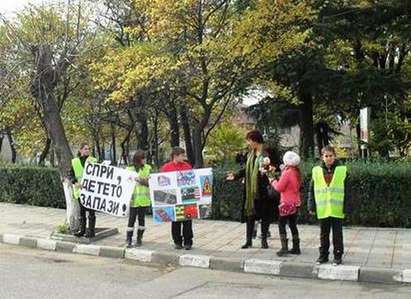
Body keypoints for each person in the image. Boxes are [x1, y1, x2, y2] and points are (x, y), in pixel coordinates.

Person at [226, 130, 275, 249]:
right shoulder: (250, 154)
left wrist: (270, 169)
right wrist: (236, 176)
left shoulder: (268, 153)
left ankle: (264, 240)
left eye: (249, 140)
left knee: (264, 216)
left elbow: (276, 167)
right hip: (250, 192)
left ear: (255, 140)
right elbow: (245, 170)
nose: (248, 143)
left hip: (264, 190)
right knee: (250, 216)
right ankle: (248, 241)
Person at [308, 145, 350, 265]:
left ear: (335, 156)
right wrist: (311, 206)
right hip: (323, 209)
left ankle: (338, 255)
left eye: (331, 156)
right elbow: (311, 190)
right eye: (326, 156)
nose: (328, 158)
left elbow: (348, 190)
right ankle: (323, 256)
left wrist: (347, 207)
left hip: (337, 209)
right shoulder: (316, 171)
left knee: (337, 234)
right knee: (323, 234)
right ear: (322, 157)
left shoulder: (342, 170)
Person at [160, 147, 194, 250]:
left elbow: (192, 180)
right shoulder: (166, 167)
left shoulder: (187, 166)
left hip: (186, 198)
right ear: (175, 156)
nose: (184, 157)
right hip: (172, 199)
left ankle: (188, 242)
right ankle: (177, 242)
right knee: (175, 221)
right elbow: (160, 182)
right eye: (182, 155)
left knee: (187, 220)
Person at [270, 151, 302, 256]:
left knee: (281, 224)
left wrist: (272, 181)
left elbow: (279, 187)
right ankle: (296, 247)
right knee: (293, 224)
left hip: (286, 203)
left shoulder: (287, 172)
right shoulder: (296, 172)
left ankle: (284, 248)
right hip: (295, 202)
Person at [70, 143, 97, 238]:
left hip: (91, 191)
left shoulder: (93, 160)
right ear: (80, 150)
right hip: (80, 191)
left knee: (91, 212)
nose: (87, 150)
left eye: (88, 149)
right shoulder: (75, 161)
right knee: (82, 212)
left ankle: (91, 231)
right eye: (85, 149)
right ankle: (82, 231)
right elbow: (71, 175)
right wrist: (75, 182)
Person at [126, 150, 152, 248]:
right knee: (131, 220)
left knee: (141, 220)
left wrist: (141, 180)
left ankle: (139, 238)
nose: (145, 160)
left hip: (144, 199)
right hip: (133, 200)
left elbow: (150, 182)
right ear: (138, 159)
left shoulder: (148, 168)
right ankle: (129, 239)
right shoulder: (129, 169)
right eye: (143, 158)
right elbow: (126, 182)